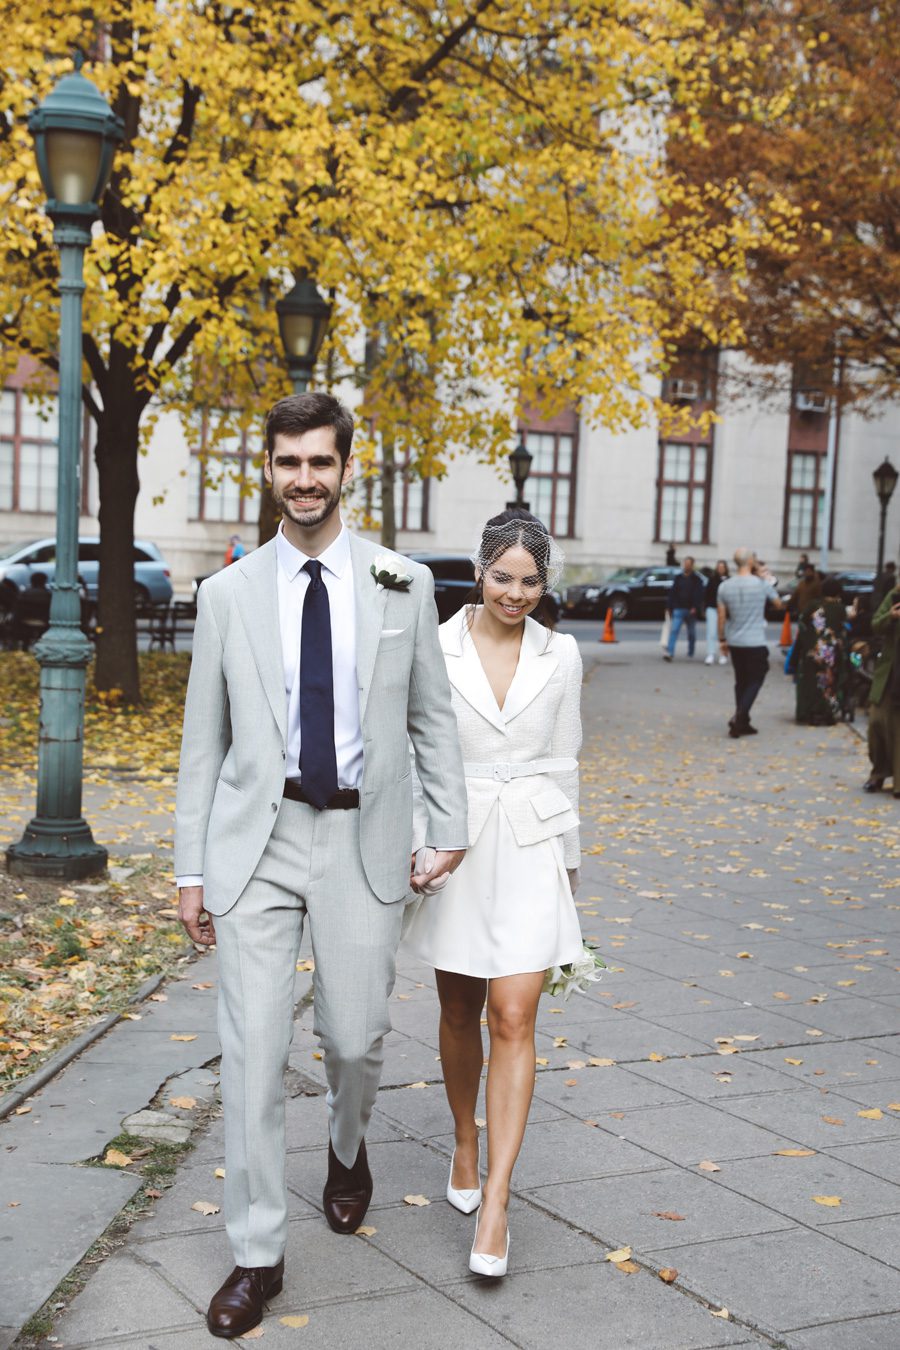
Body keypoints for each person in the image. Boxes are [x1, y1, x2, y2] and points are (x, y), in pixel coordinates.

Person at [174, 392, 468, 1338]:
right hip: (254, 848)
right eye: (287, 463)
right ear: (267, 469)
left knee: (353, 1040)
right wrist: (189, 869)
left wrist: (449, 826)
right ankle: (256, 1255)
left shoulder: (402, 584)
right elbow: (201, 746)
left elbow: (430, 718)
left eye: (320, 463)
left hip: (361, 843)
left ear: (348, 468)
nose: (305, 480)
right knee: (254, 1057)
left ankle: (348, 1147)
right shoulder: (225, 596)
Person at [403, 510, 585, 1280]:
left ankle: (501, 1199)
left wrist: (569, 872)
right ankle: (465, 1138)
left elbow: (566, 760)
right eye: (504, 577)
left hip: (532, 846)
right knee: (457, 1009)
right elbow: (413, 751)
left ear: (548, 584)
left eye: (532, 581)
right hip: (456, 841)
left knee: (515, 1015)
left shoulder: (564, 653)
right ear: (479, 573)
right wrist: (421, 843)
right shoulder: (433, 644)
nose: (517, 593)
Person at [717, 547, 784, 737]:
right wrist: (771, 585)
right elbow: (778, 604)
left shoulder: (724, 586)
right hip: (754, 641)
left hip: (735, 641)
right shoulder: (760, 584)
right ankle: (739, 716)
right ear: (750, 562)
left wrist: (722, 639)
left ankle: (743, 721)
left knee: (741, 680)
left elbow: (721, 616)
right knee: (756, 678)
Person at [794, 576, 849, 725]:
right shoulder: (841, 608)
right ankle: (827, 713)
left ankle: (810, 712)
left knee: (811, 682)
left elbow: (802, 622)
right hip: (831, 653)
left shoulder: (813, 605)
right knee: (829, 683)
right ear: (838, 592)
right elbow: (843, 628)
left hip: (814, 650)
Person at [864, 583, 900, 795]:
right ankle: (878, 773)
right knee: (877, 722)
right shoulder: (895, 594)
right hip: (891, 671)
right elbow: (876, 624)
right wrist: (891, 616)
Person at [663, 556, 705, 661]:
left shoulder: (696, 579)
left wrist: (695, 606)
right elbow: (672, 593)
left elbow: (699, 594)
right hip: (678, 608)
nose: (686, 566)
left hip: (691, 609)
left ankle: (691, 651)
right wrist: (669, 606)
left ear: (692, 565)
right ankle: (670, 652)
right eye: (685, 564)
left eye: (688, 564)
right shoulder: (678, 578)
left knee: (691, 633)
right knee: (674, 630)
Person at [703, 560, 730, 665]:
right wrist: (705, 608)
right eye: (719, 567)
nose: (721, 569)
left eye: (723, 567)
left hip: (725, 610)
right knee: (711, 631)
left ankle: (723, 654)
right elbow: (706, 594)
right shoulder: (712, 579)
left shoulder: (729, 580)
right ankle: (710, 653)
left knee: (723, 632)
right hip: (712, 608)